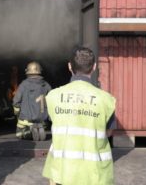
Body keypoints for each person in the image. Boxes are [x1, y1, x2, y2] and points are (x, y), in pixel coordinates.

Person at [42, 46, 116, 185]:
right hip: (94, 174)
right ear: (94, 67)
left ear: (70, 66)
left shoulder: (53, 96)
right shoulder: (106, 99)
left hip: (61, 173)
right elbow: (109, 132)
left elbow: (53, 122)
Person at [13, 61, 51, 141]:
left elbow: (16, 100)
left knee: (19, 134)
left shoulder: (24, 84)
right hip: (42, 118)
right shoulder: (46, 85)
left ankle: (28, 134)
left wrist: (16, 111)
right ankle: (38, 129)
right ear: (40, 71)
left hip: (25, 118)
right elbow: (52, 100)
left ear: (28, 72)